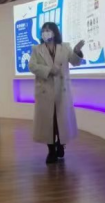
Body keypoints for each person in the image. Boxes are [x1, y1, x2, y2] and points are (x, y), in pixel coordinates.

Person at [29, 23, 85, 165]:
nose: (45, 33)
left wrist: (77, 51)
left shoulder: (64, 47)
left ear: (54, 32)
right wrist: (48, 70)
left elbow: (75, 62)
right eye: (43, 31)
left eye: (48, 30)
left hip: (61, 90)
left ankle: (61, 144)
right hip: (45, 90)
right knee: (49, 122)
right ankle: (51, 150)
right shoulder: (37, 49)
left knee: (61, 120)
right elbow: (32, 66)